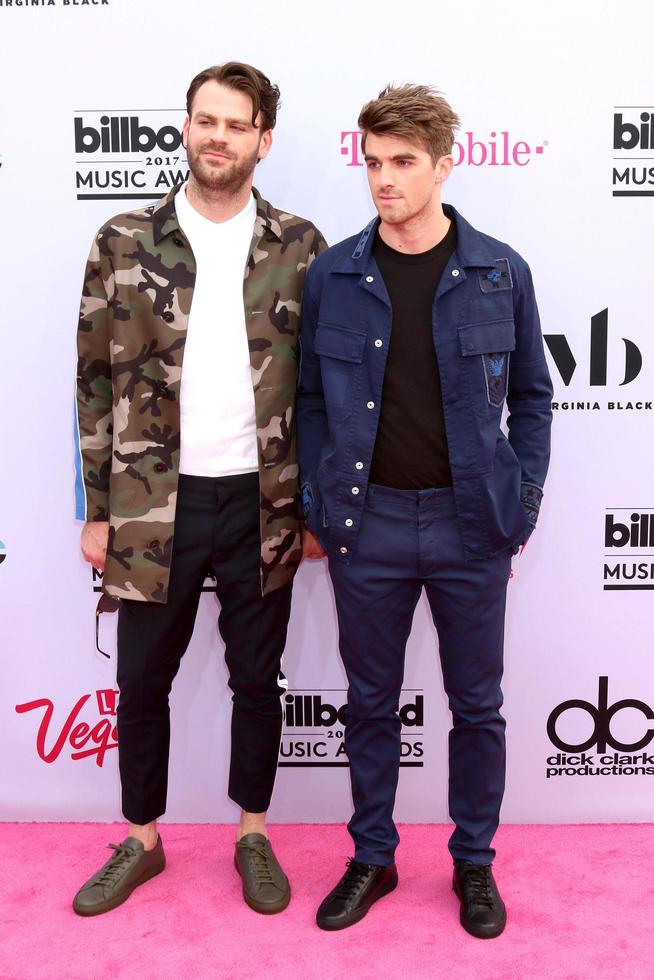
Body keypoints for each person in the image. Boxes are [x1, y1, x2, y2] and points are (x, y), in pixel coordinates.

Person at [297, 84, 552, 937]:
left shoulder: (499, 269)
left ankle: (473, 864)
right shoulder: (333, 274)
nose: (384, 179)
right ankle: (372, 856)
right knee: (369, 702)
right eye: (373, 162)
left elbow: (532, 399)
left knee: (477, 705)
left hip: (471, 525)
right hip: (364, 527)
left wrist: (521, 501)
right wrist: (323, 505)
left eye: (403, 162)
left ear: (447, 163)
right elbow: (312, 405)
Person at [73, 61, 325, 917]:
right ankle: (140, 840)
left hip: (264, 501)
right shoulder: (123, 240)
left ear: (263, 138)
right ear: (186, 126)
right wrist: (98, 511)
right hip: (152, 506)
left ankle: (253, 833)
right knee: (144, 683)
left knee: (259, 682)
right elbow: (93, 384)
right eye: (205, 120)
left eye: (236, 123)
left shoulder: (300, 244)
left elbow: (325, 388)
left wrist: (317, 507)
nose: (218, 136)